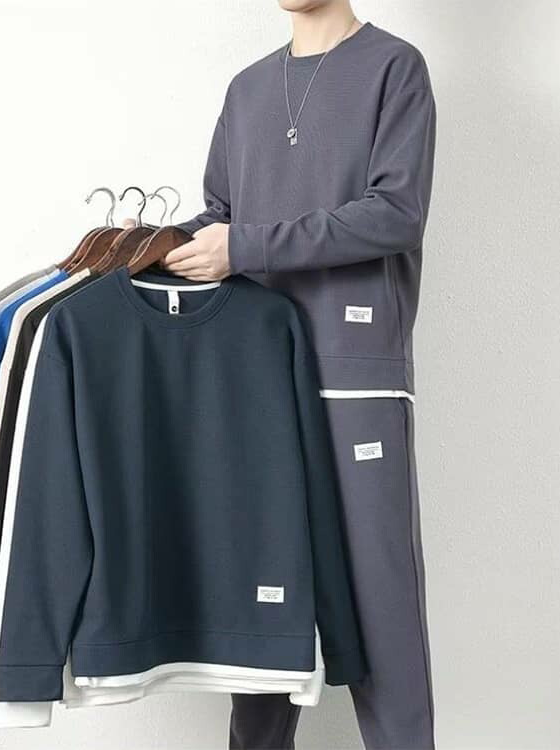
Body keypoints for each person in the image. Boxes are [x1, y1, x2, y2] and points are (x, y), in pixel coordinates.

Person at [132, 1, 437, 747]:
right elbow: (220, 218)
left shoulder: (395, 67)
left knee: (380, 602)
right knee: (263, 602)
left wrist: (246, 246)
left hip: (354, 372)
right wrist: (146, 250)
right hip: (256, 373)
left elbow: (396, 213)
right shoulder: (246, 89)